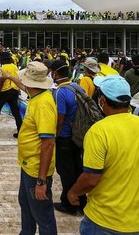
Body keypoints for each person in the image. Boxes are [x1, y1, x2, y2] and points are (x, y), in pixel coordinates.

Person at [67, 75, 139, 234]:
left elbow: (91, 179)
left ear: (102, 101)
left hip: (104, 221)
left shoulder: (99, 131)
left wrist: (73, 192)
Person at [9, 61, 57, 235]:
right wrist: (9, 77)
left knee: (42, 214)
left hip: (37, 170)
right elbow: (22, 85)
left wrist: (41, 181)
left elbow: (48, 143)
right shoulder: (36, 96)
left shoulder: (43, 104)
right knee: (26, 203)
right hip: (28, 165)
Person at [49, 60, 86, 215]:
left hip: (65, 137)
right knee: (78, 168)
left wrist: (54, 136)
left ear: (56, 73)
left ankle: (69, 203)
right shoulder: (78, 87)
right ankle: (81, 200)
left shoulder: (60, 92)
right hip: (78, 136)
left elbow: (60, 117)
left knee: (66, 172)